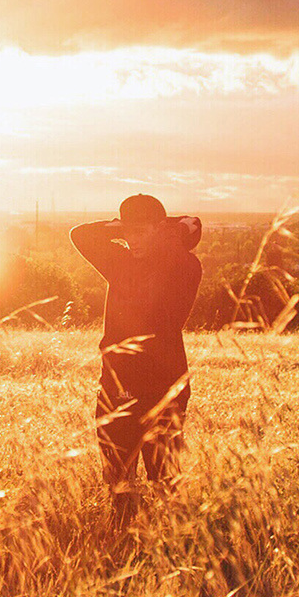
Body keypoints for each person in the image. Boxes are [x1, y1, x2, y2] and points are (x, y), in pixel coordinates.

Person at [70, 195, 202, 525]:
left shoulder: (184, 265)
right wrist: (123, 226)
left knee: (164, 478)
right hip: (117, 382)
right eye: (128, 232)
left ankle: (172, 544)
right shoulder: (119, 261)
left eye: (141, 232)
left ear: (160, 231)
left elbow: (190, 234)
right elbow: (80, 235)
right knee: (117, 476)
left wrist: (167, 231)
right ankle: (124, 538)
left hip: (164, 385)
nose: (133, 240)